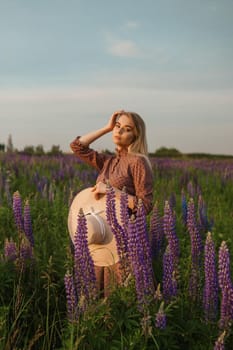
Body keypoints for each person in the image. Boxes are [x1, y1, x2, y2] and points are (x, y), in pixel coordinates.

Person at [70, 110, 154, 296]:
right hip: (102, 236)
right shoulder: (108, 161)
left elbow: (145, 206)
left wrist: (112, 191)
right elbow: (77, 146)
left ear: (136, 135)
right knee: (95, 297)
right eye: (118, 127)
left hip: (124, 244)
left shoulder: (138, 162)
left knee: (117, 299)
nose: (119, 132)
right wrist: (107, 128)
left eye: (127, 129)